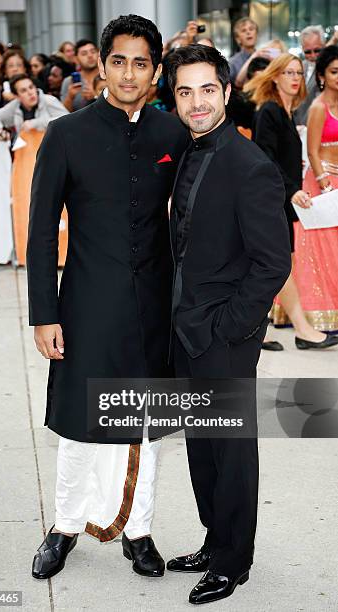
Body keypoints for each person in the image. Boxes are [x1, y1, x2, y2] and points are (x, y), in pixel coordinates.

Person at [26, 14, 189, 581]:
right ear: (101, 63)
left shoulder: (172, 134)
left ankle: (139, 531)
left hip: (155, 306)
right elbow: (42, 230)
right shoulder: (66, 134)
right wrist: (43, 313)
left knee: (144, 423)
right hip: (87, 303)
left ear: (156, 72)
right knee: (79, 421)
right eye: (117, 59)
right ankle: (65, 527)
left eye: (140, 62)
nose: (128, 72)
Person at [165, 44, 291, 605]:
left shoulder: (250, 166)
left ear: (225, 91)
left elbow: (273, 262)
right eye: (185, 91)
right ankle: (215, 540)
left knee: (233, 450)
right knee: (200, 445)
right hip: (186, 329)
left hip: (224, 336)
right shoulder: (188, 151)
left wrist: (231, 327)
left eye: (206, 90)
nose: (196, 102)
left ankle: (234, 562)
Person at [250, 53, 338, 349]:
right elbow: (265, 158)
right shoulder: (270, 112)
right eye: (288, 72)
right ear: (275, 76)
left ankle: (267, 330)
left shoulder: (285, 112)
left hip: (282, 200)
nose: (295, 78)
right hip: (273, 200)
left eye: (299, 73)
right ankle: (302, 329)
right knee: (280, 265)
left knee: (278, 265)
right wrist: (291, 189)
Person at [294, 45, 338, 333]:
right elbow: (311, 151)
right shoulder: (318, 107)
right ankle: (321, 315)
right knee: (324, 249)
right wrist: (324, 182)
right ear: (321, 76)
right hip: (323, 182)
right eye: (335, 72)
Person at [0, 74, 68, 139]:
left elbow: (67, 120)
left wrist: (36, 123)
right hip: (26, 152)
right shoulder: (15, 105)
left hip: (54, 148)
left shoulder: (49, 100)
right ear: (17, 96)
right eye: (23, 90)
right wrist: (0, 130)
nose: (30, 92)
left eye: (31, 87)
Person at [294, 25, 338, 126]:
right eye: (308, 52)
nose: (313, 55)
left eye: (317, 50)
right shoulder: (299, 66)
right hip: (297, 128)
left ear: (323, 46)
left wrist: (334, 40)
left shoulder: (330, 69)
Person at [60, 39, 99, 111]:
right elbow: (63, 113)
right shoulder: (69, 81)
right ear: (76, 59)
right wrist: (70, 97)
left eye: (93, 52)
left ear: (98, 54)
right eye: (84, 53)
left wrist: (96, 96)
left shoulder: (108, 77)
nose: (90, 55)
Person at [229, 17, 268, 88]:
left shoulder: (265, 57)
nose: (248, 32)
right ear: (238, 39)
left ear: (256, 35)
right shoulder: (232, 62)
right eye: (243, 30)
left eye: (251, 29)